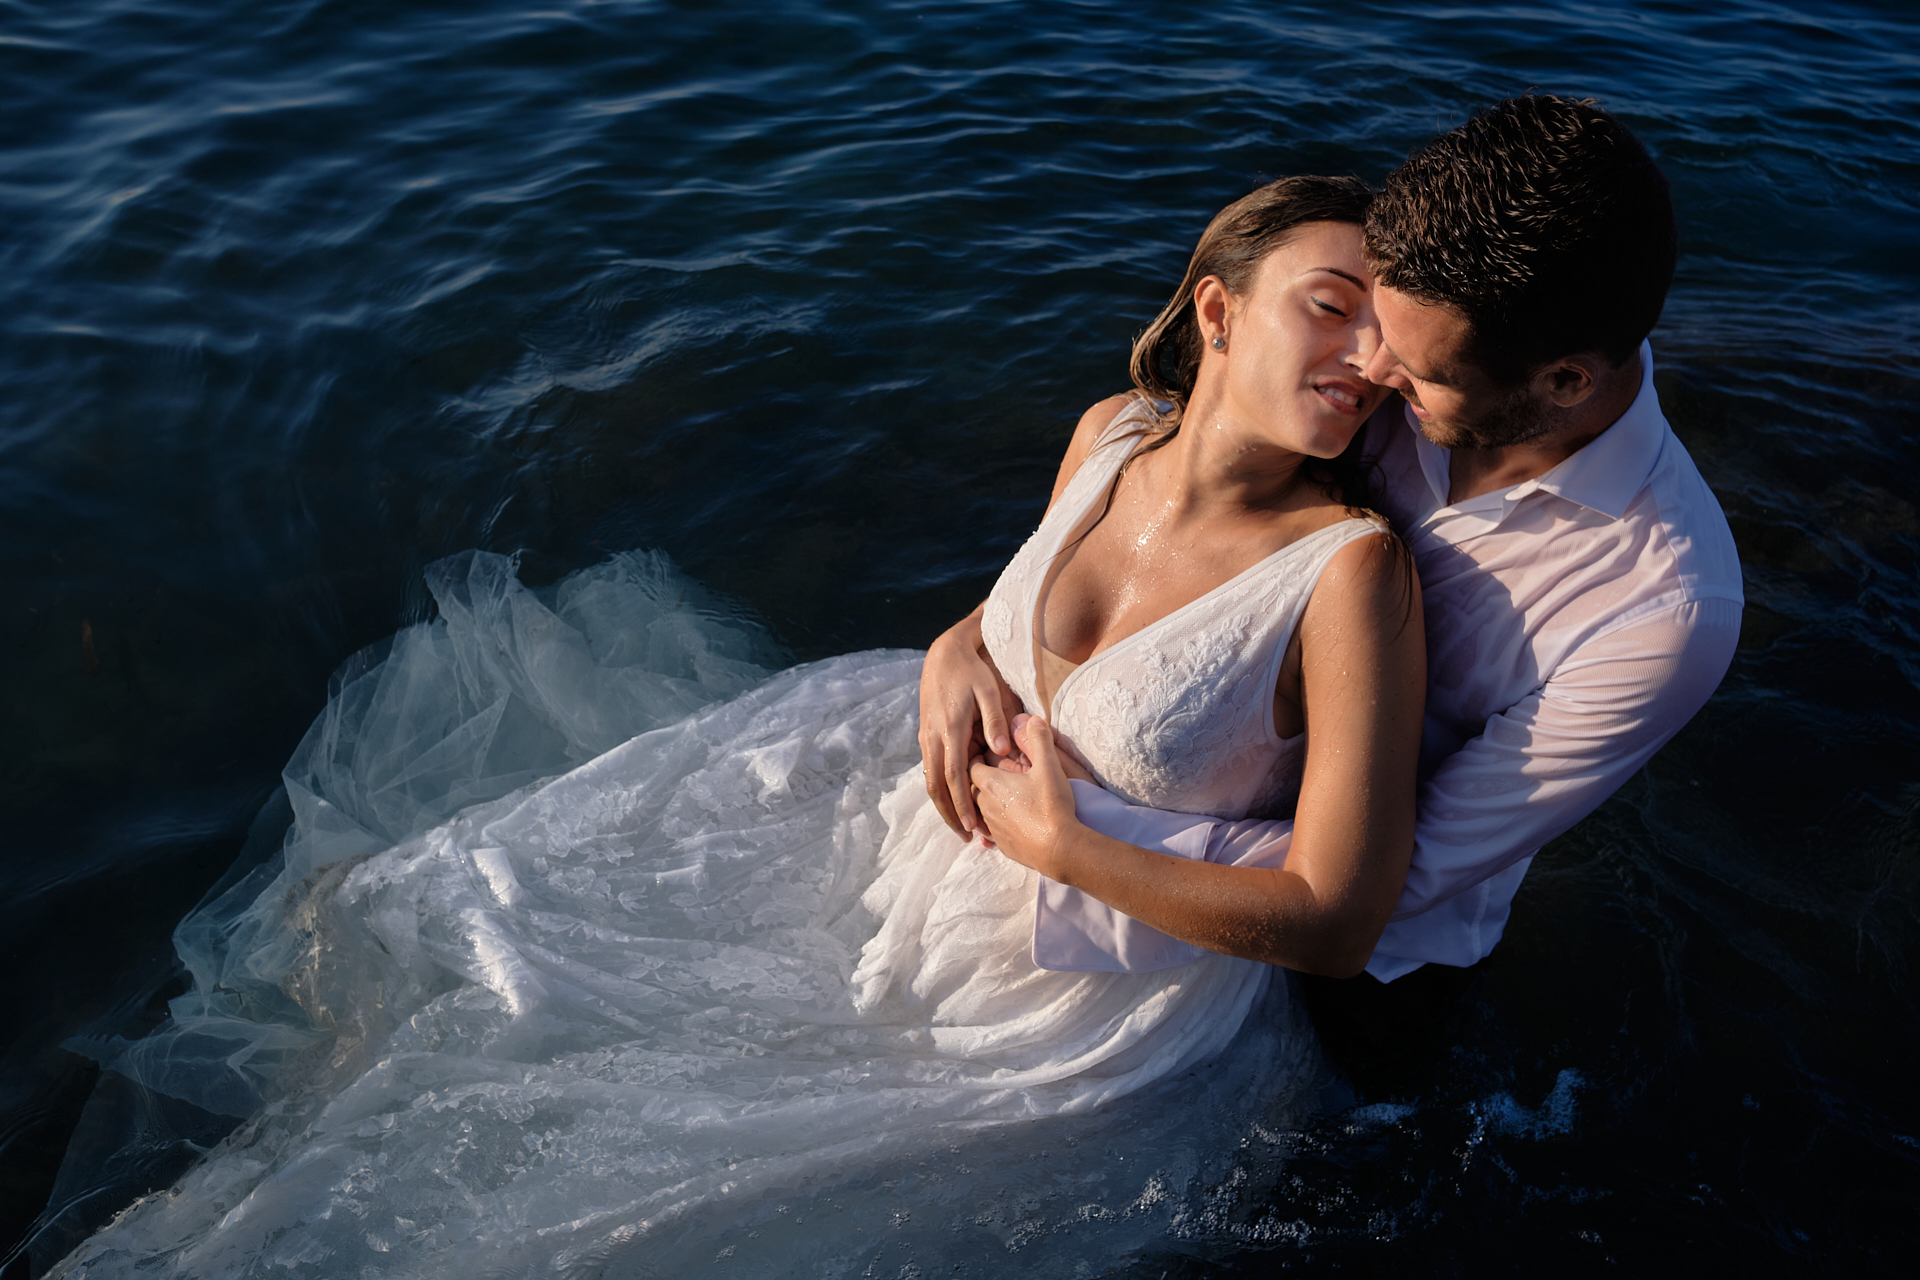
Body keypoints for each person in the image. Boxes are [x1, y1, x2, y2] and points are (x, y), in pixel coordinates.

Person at [53, 176, 1424, 1279]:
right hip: (907, 841)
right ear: (1218, 309)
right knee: (477, 916)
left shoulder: (1346, 573)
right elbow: (1025, 616)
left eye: (1387, 332)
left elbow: (1339, 917)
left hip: (1083, 986)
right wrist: (955, 649)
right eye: (1332, 307)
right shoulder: (1113, 430)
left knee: (652, 1201)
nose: (1366, 356)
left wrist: (1064, 849)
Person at [942, 95, 1743, 1049]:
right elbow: (1183, 542)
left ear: (1564, 381)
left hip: (1367, 968)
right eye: (1363, 319)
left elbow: (1378, 890)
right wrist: (972, 639)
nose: (1374, 370)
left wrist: (1077, 841)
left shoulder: (1662, 612)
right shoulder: (1422, 343)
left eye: (1419, 368)